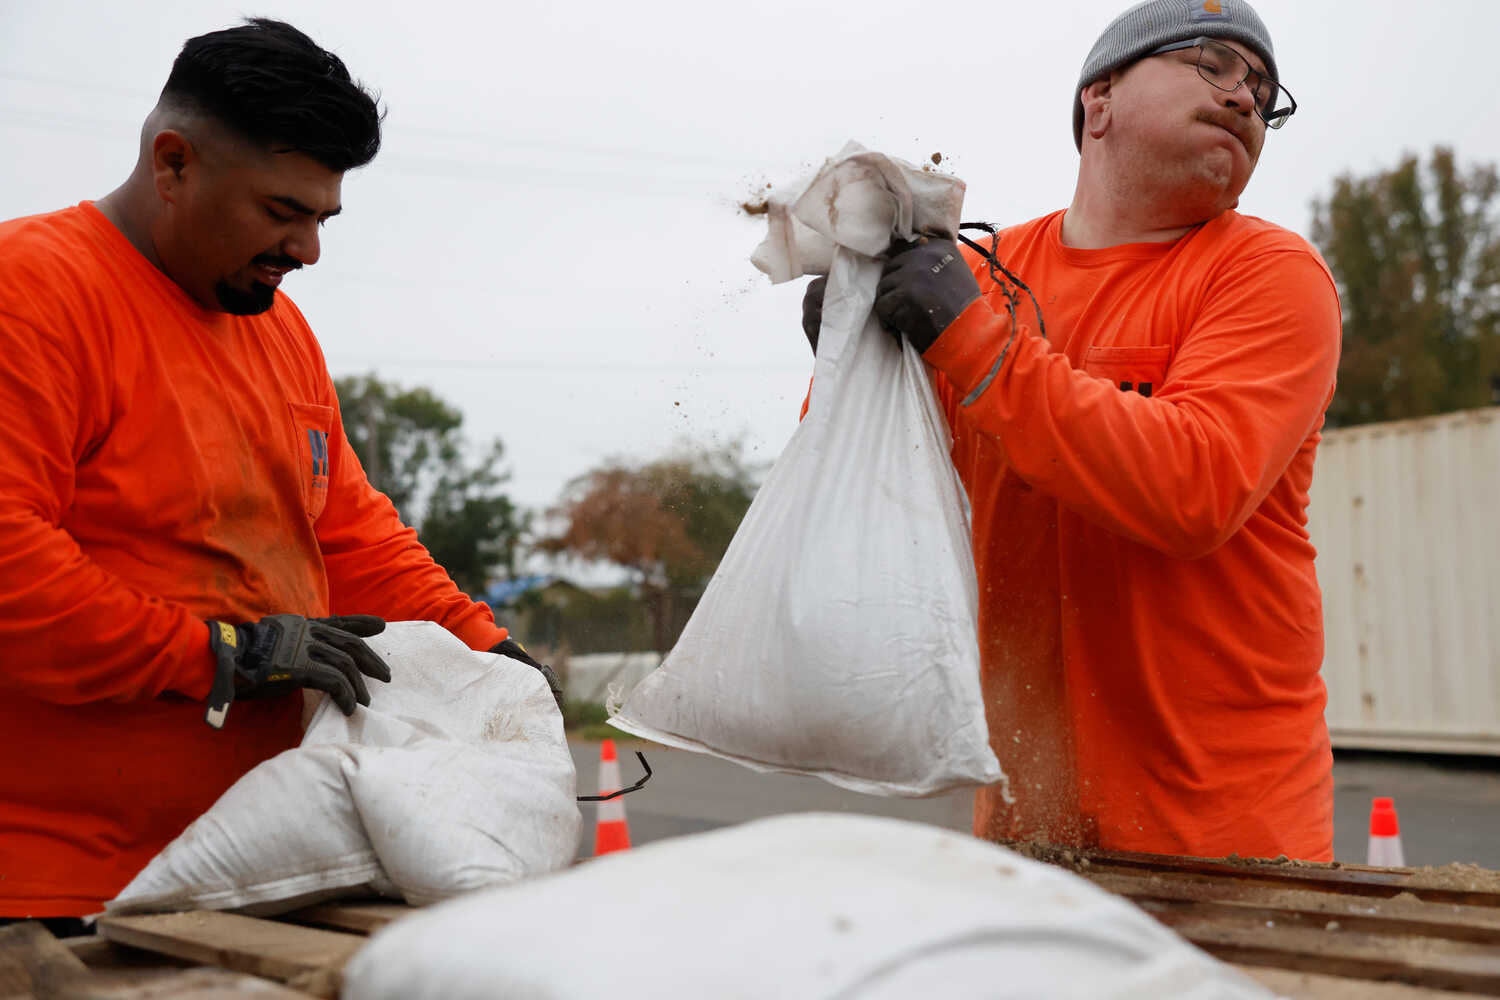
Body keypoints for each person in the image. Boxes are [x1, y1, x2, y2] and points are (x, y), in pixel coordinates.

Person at [0, 19, 559, 923]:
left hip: (255, 866)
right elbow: (9, 564)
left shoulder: (277, 329)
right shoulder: (31, 292)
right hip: (52, 889)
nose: (308, 250)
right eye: (280, 212)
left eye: (321, 217)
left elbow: (348, 534)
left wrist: (486, 651)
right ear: (173, 164)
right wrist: (221, 653)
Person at [805, 0, 1339, 860]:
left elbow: (1193, 489)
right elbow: (875, 488)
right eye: (1210, 62)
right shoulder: (981, 276)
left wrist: (968, 339)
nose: (1245, 97)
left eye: (1262, 89)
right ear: (1099, 103)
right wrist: (847, 366)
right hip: (1028, 833)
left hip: (1228, 840)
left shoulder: (1269, 274)